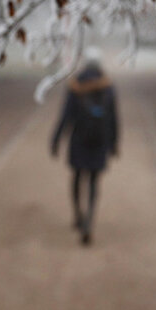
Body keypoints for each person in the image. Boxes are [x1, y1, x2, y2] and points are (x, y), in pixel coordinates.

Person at [51, 52, 119, 245]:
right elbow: (114, 117)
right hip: (100, 141)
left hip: (78, 140)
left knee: (77, 177)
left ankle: (77, 215)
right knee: (93, 182)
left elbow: (66, 115)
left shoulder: (75, 86)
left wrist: (56, 139)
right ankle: (89, 218)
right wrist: (114, 143)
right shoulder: (108, 87)